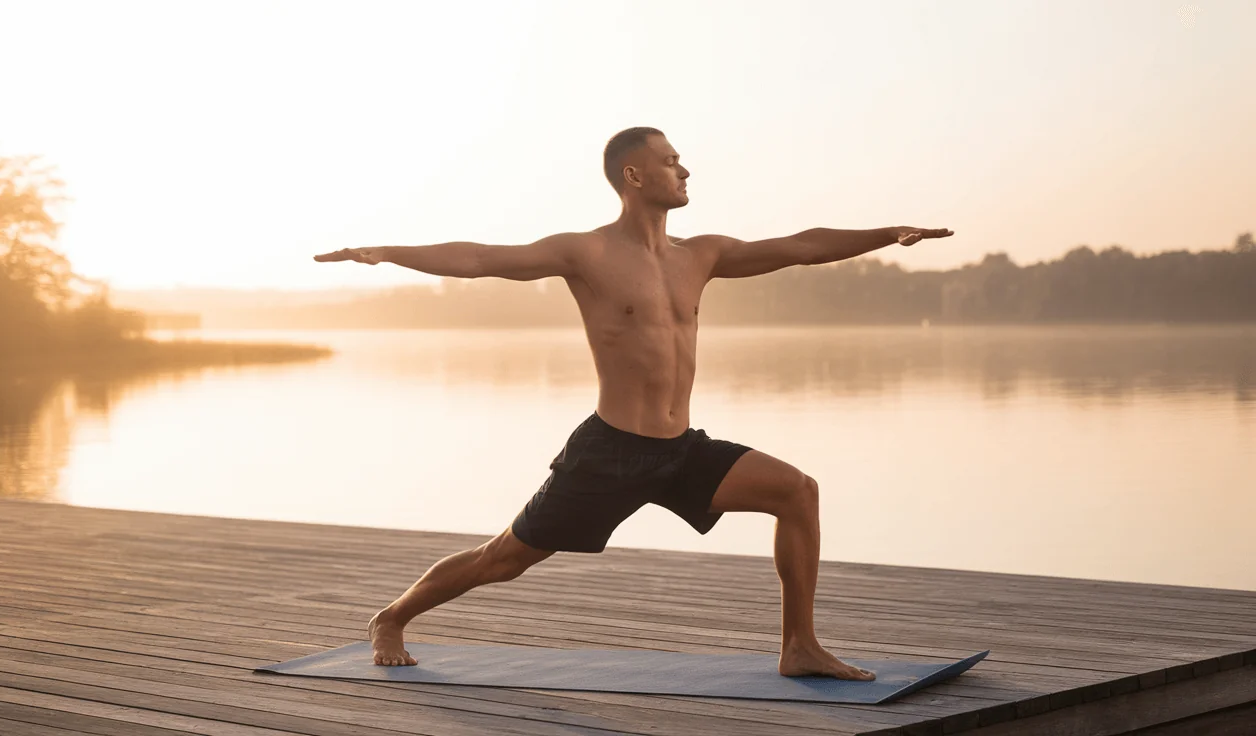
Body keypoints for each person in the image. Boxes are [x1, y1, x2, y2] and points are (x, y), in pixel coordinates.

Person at [314, 127, 953, 680]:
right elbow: (481, 258)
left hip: (679, 450)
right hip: (608, 452)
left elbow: (802, 246)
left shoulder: (701, 255)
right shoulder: (585, 252)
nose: (685, 170)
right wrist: (388, 252)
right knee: (502, 561)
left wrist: (887, 233)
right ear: (634, 174)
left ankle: (800, 647)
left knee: (797, 491)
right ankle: (391, 618)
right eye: (672, 160)